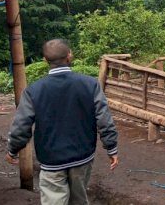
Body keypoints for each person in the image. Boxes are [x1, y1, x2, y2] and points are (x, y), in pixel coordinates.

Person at [7, 39, 119, 205]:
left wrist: (13, 149)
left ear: (45, 60)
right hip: (82, 156)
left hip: (51, 158)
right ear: (69, 56)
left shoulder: (33, 91)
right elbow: (104, 119)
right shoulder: (90, 84)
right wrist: (112, 148)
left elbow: (21, 126)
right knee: (79, 199)